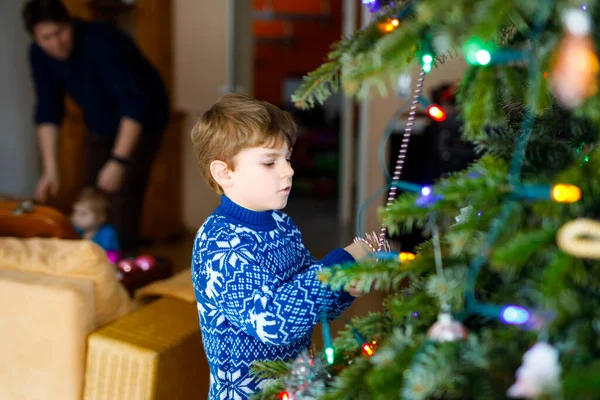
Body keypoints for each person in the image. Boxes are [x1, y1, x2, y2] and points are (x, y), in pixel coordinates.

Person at [190, 93, 369, 399]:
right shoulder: (220, 245)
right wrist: (343, 260)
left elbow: (307, 299)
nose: (288, 170)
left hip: (298, 384)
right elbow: (274, 322)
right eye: (270, 162)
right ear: (224, 173)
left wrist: (344, 287)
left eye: (286, 158)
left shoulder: (280, 224)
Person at [22, 0, 170, 250]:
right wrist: (50, 170)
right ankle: (89, 259)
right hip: (100, 120)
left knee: (123, 193)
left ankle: (120, 264)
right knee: (91, 195)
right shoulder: (38, 55)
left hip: (144, 118)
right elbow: (48, 109)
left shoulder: (102, 41)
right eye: (46, 38)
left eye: (61, 32)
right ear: (35, 38)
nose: (56, 43)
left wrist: (119, 161)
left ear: (70, 23)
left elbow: (133, 104)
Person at [71, 187, 119, 252]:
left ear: (100, 218)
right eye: (75, 212)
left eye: (83, 214)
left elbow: (112, 255)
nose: (76, 217)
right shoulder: (75, 230)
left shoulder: (108, 234)